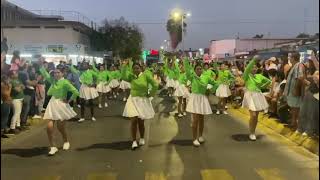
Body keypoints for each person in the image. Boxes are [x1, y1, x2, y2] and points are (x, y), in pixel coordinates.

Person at [39, 64, 79, 156]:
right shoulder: (52, 80)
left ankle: (66, 141)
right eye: (55, 72)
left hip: (61, 105)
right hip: (52, 104)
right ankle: (53, 147)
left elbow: (76, 92)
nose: (56, 74)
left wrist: (69, 100)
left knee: (60, 127)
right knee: (49, 127)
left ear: (63, 73)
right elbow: (45, 74)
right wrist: (42, 65)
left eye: (58, 72)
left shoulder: (65, 82)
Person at [121, 61, 158, 150]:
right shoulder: (131, 76)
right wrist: (124, 65)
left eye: (137, 68)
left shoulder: (146, 75)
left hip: (142, 100)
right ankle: (134, 141)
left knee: (141, 122)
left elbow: (155, 84)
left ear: (141, 68)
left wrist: (151, 94)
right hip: (132, 100)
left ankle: (141, 137)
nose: (136, 70)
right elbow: (123, 76)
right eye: (134, 68)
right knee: (133, 120)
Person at [183, 58, 215, 146]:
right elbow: (187, 71)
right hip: (194, 98)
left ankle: (200, 136)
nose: (199, 70)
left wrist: (211, 90)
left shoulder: (206, 77)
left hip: (202, 98)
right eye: (197, 69)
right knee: (195, 120)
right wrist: (185, 61)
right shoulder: (192, 76)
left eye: (200, 68)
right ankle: (194, 138)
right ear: (194, 70)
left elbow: (215, 83)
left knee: (201, 119)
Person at [242, 55, 271, 141]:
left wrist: (261, 86)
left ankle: (253, 132)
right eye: (252, 67)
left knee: (256, 116)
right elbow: (247, 68)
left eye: (255, 67)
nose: (254, 69)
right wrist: (254, 60)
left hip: (258, 95)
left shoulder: (259, 76)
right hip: (250, 95)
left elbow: (269, 81)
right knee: (253, 115)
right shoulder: (247, 75)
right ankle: (251, 132)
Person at [284, 52, 306, 130]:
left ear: (293, 58)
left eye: (290, 57)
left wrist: (296, 89)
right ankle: (293, 123)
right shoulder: (295, 66)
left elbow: (299, 78)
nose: (289, 59)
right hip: (292, 91)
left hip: (295, 91)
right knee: (293, 108)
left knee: (296, 108)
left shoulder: (298, 65)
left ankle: (296, 125)